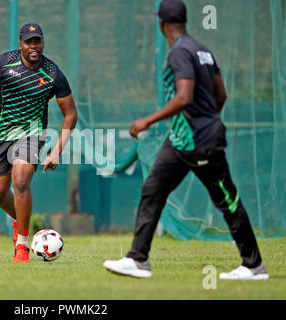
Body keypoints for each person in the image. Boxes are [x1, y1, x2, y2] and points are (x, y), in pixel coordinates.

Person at [103, 0, 269, 280]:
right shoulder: (202, 49)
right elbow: (221, 95)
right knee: (152, 190)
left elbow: (184, 96)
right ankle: (137, 260)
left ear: (161, 24)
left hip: (197, 141)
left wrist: (148, 120)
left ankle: (253, 266)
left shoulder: (179, 53)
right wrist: (207, 121)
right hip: (182, 139)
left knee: (227, 200)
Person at [0, 23, 77, 263]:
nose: (33, 46)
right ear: (21, 44)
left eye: (37, 41)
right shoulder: (4, 62)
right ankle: (20, 219)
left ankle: (22, 246)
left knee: (21, 181)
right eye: (29, 41)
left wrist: (57, 150)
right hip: (1, 133)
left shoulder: (53, 73)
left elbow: (71, 114)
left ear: (43, 42)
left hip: (31, 134)